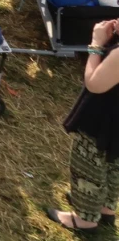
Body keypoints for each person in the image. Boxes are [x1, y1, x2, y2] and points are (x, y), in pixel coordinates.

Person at [49, 17, 119, 232]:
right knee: (113, 165)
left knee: (88, 167)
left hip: (102, 121)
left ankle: (85, 219)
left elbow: (95, 84)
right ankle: (106, 208)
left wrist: (96, 45)